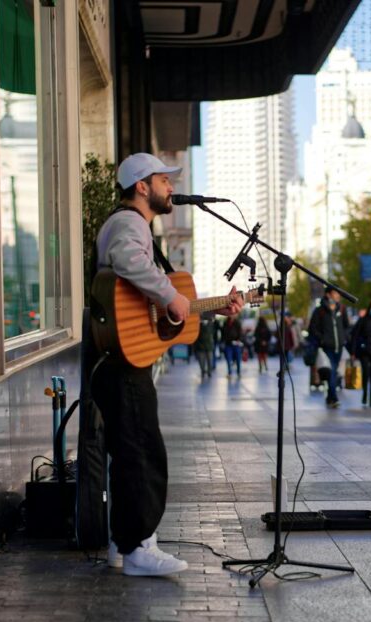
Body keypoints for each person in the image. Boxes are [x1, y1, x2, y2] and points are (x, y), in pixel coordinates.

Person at [94, 153, 243, 576]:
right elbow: (130, 262)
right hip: (123, 365)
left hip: (125, 359)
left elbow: (167, 310)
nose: (170, 187)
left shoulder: (137, 228)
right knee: (143, 453)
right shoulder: (129, 225)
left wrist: (213, 308)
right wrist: (169, 296)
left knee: (129, 454)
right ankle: (140, 548)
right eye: (164, 179)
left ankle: (123, 545)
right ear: (142, 186)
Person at [308, 286, 350, 408]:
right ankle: (334, 398)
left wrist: (344, 337)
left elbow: (347, 326)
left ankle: (330, 396)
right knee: (331, 371)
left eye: (339, 294)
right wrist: (322, 339)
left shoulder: (341, 309)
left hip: (339, 346)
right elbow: (313, 328)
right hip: (327, 347)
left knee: (335, 372)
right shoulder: (320, 310)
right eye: (335, 293)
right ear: (328, 295)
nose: (338, 296)